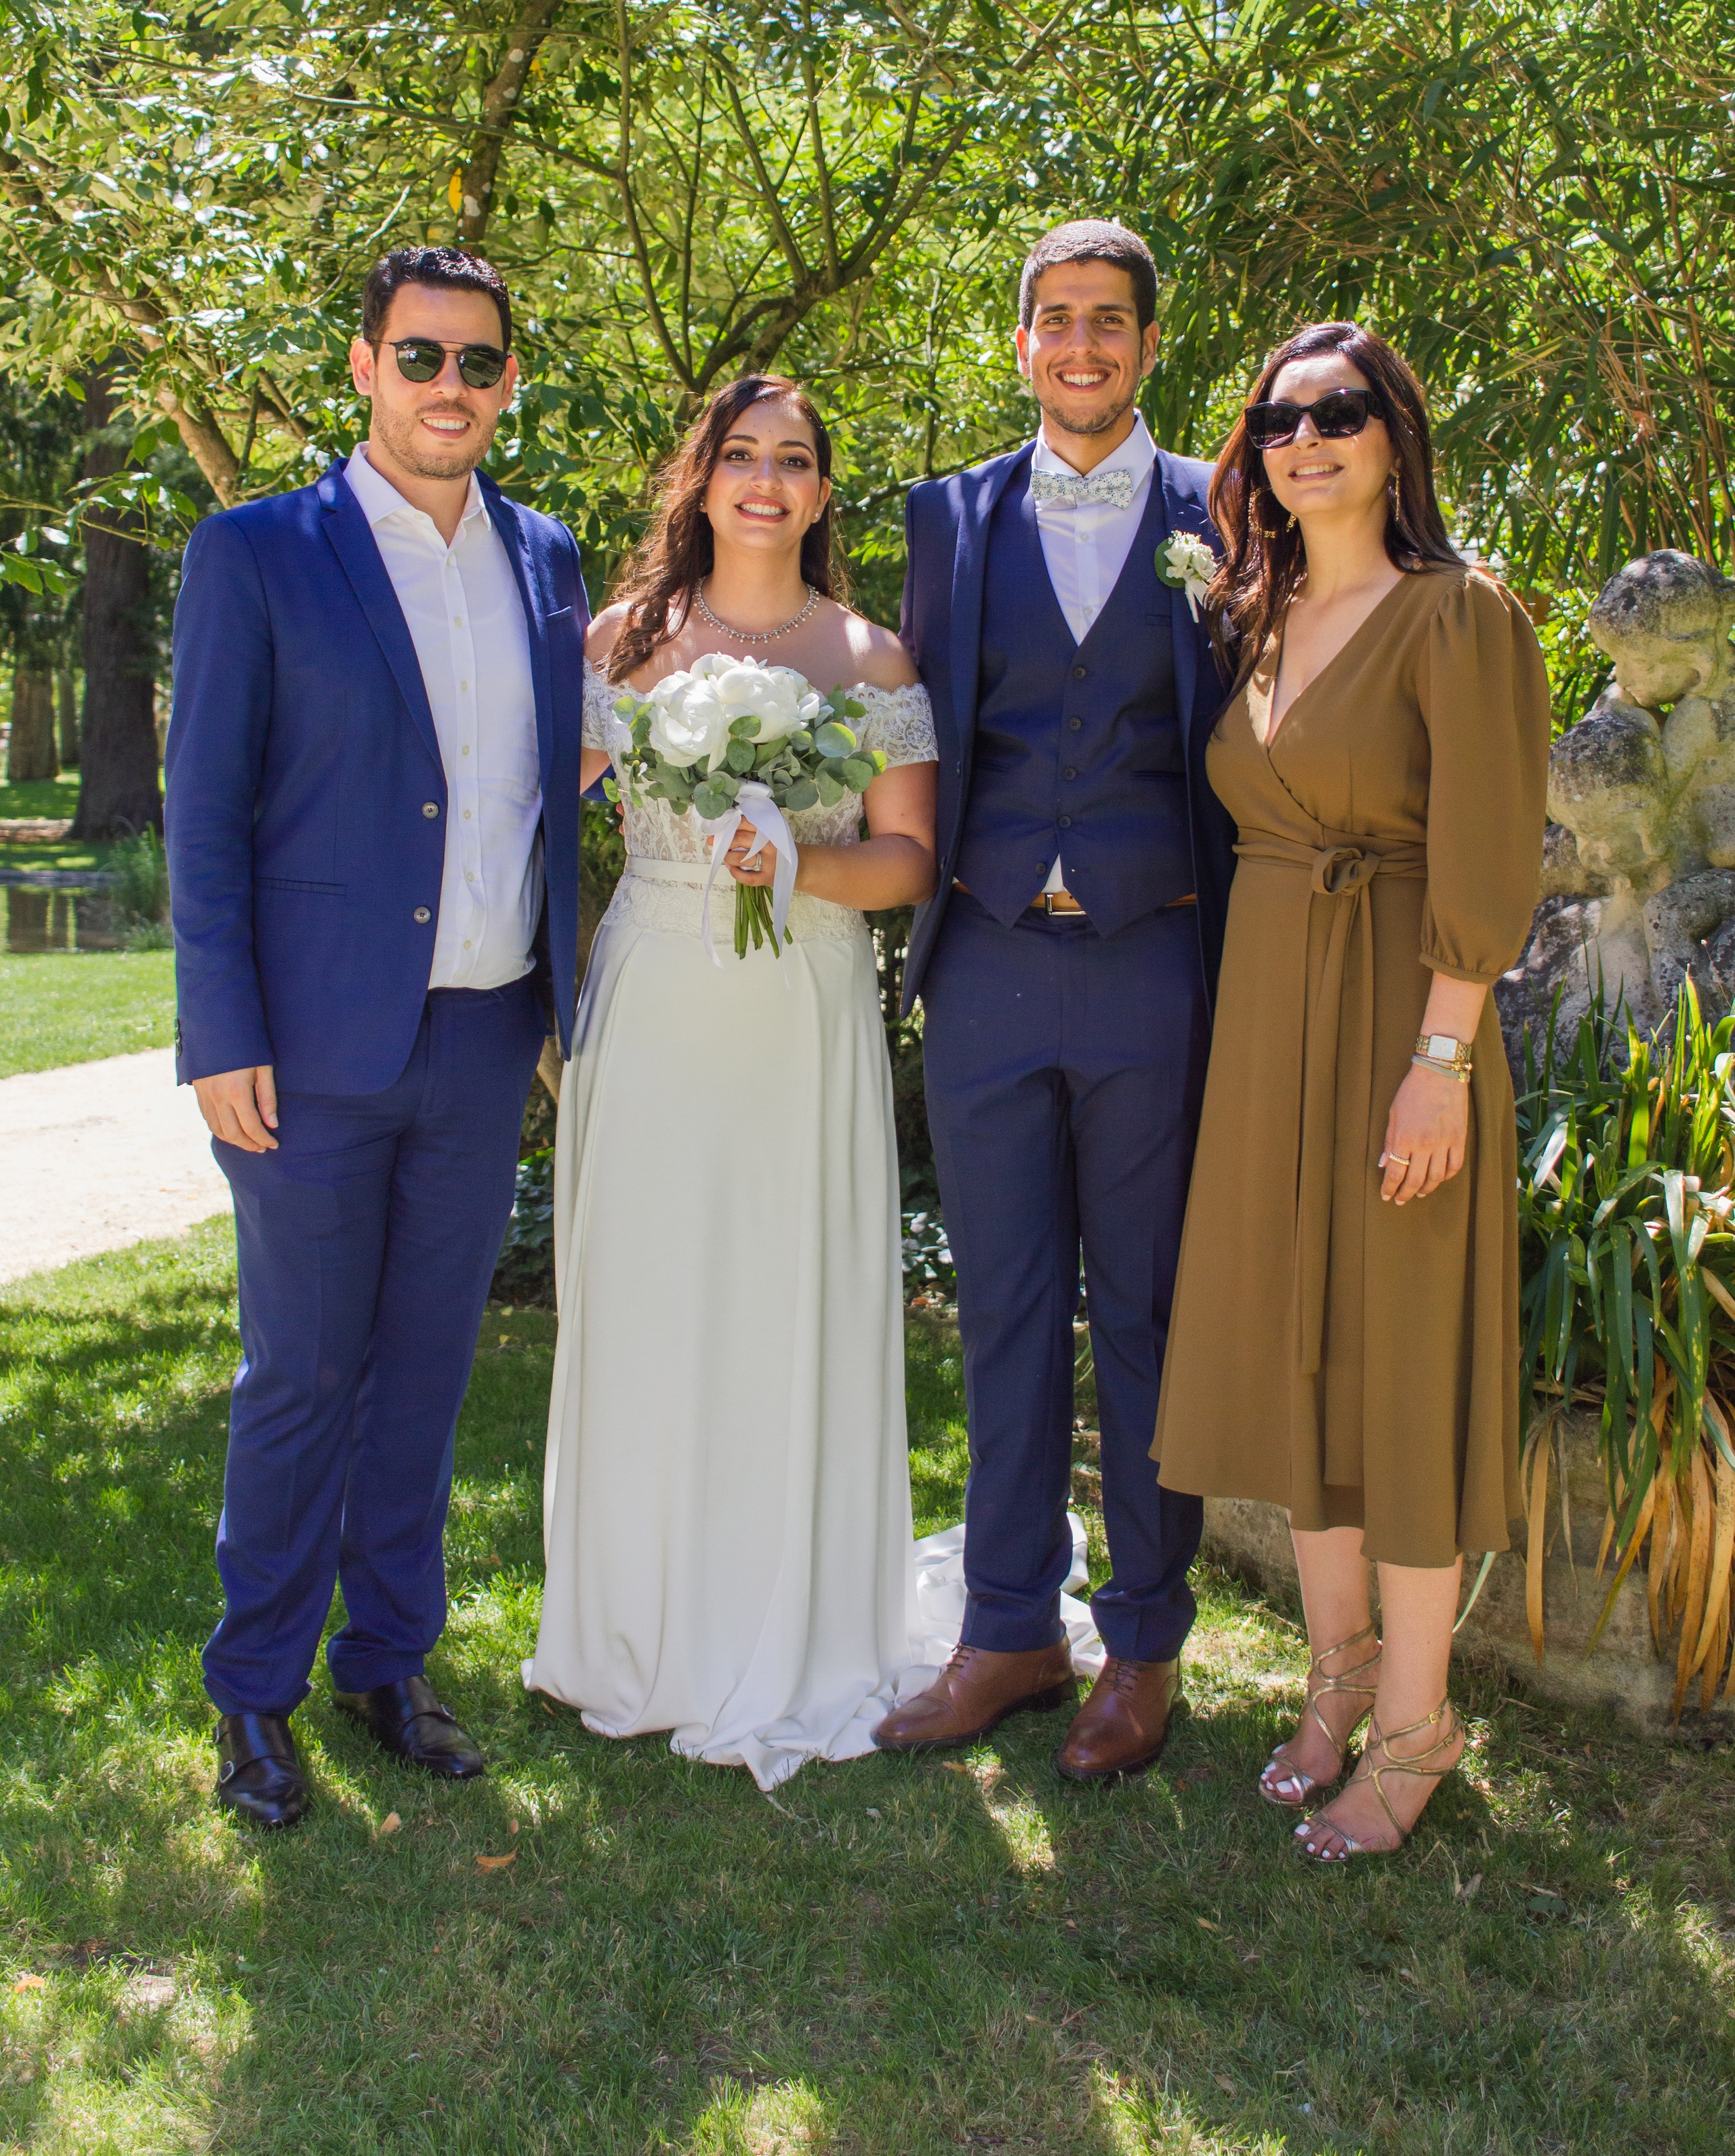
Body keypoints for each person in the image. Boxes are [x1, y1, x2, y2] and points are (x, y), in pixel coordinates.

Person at [166, 245, 587, 1830]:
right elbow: (203, 816)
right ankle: (253, 1695)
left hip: (486, 1038)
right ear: (363, 368)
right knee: (299, 1377)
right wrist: (221, 1032)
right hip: (308, 1050)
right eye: (420, 359)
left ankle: (387, 1664)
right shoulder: (257, 555)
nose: (449, 390)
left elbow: (551, 777)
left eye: (478, 364)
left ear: (507, 384)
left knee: (421, 1371)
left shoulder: (545, 559)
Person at [1154, 321, 1549, 1861]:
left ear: (1395, 437)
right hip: (1268, 1022)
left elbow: (1490, 853)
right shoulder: (1251, 616)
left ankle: (1416, 1726)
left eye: (1339, 413)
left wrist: (1437, 1066)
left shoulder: (1457, 616)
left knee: (1394, 1364)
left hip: (1401, 1013)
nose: (1303, 440)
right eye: (1276, 420)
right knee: (1293, 1351)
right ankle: (1333, 1680)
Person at [525, 373, 947, 1790]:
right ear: (699, 480)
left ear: (824, 493)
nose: (765, 480)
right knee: (650, 1295)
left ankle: (794, 1627)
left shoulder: (871, 659)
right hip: (654, 997)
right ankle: (637, 1624)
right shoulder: (620, 640)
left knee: (786, 1294)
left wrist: (799, 863)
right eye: (740, 456)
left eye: (794, 460)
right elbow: (531, 804)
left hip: (804, 1002)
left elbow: (904, 863)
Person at [874, 219, 1238, 1784]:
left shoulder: (1222, 511)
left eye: (1108, 322)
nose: (1080, 346)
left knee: (1146, 1311)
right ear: (1019, 343)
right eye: (1054, 320)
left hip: (1156, 960)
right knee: (1006, 1306)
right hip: (987, 965)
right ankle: (1009, 1625)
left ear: (1147, 347)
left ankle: (1143, 1643)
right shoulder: (946, 519)